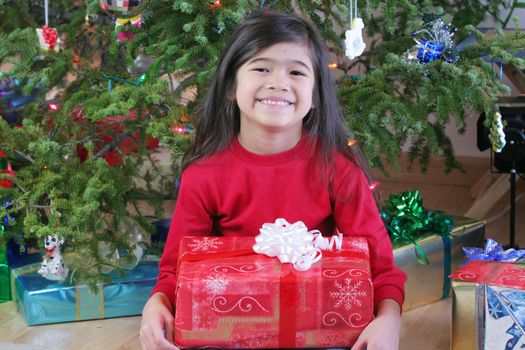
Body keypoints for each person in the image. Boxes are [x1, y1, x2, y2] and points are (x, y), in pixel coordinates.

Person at [140, 11, 406, 350]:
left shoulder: (338, 169)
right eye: (262, 68)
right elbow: (175, 270)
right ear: (231, 87)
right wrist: (156, 305)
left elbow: (380, 267)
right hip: (227, 331)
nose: (279, 82)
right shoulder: (204, 175)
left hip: (321, 331)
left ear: (315, 97)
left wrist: (388, 320)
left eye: (296, 72)